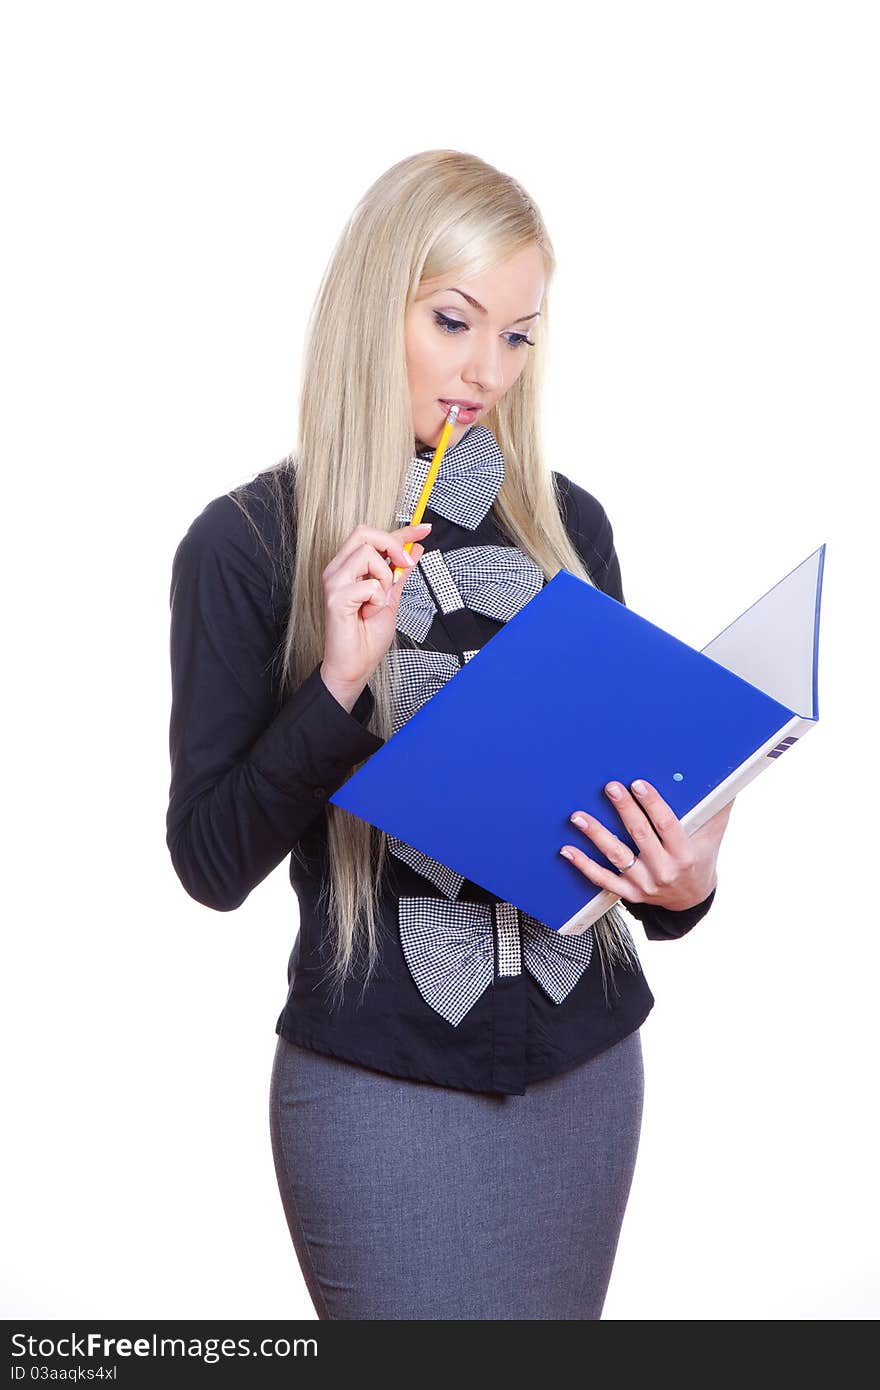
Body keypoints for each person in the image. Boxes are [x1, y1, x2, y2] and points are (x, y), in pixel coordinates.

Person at [166, 149, 733, 1320]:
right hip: (381, 1094)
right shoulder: (244, 546)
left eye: (519, 334)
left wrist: (681, 885)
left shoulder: (568, 527)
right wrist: (336, 681)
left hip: (588, 1075)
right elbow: (211, 864)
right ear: (382, 303)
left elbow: (619, 844)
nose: (488, 369)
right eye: (455, 320)